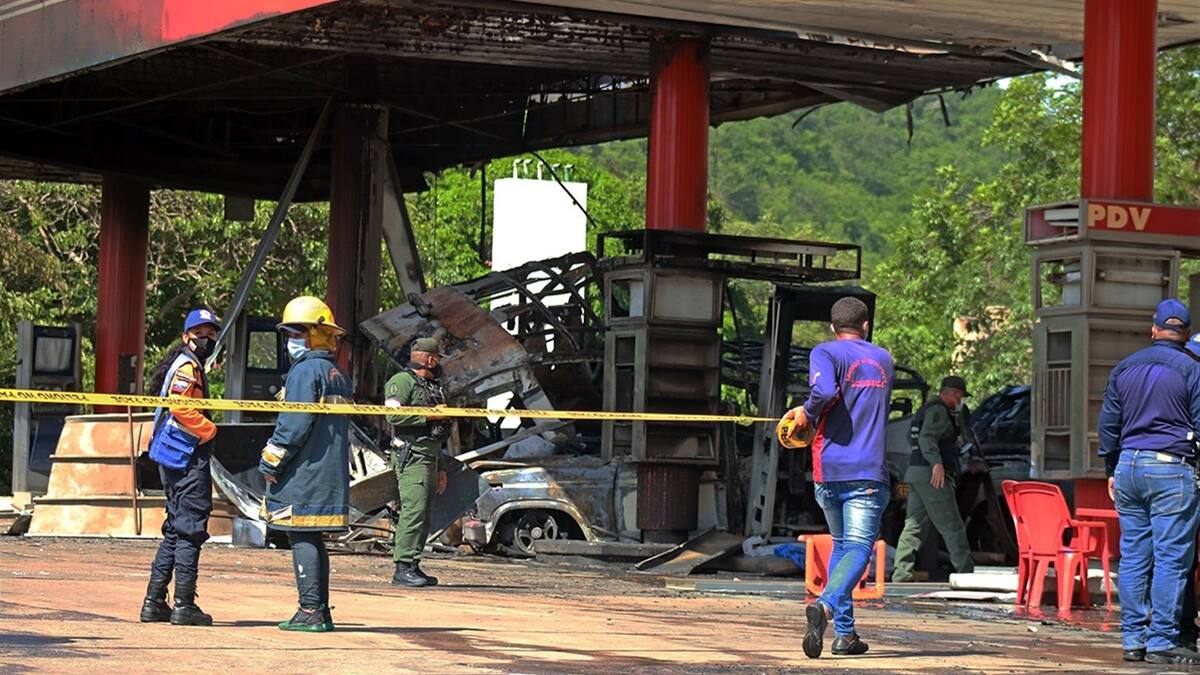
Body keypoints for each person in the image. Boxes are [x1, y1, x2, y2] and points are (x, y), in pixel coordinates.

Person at [782, 296, 894, 659]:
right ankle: (826, 606)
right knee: (859, 548)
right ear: (866, 326)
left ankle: (845, 635)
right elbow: (831, 393)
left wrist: (806, 412)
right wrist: (811, 408)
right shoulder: (883, 359)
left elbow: (825, 391)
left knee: (843, 546)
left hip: (828, 470)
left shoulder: (825, 352)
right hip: (867, 472)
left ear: (833, 327)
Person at [1100, 298, 1200, 666]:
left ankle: (1133, 640)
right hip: (1171, 468)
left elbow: (1108, 426)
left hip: (1128, 466)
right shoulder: (1193, 369)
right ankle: (1161, 641)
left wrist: (1111, 468)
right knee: (1171, 559)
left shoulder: (1124, 367)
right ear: (1185, 334)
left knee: (1134, 556)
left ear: (1153, 329)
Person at [259, 296, 352, 633]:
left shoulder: (305, 371)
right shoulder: (335, 372)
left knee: (300, 535)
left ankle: (310, 610)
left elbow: (293, 426)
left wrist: (270, 463)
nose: (290, 341)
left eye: (297, 334)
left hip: (304, 470)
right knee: (312, 537)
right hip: (327, 470)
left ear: (316, 334)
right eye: (288, 335)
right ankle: (318, 610)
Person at [139, 308, 222, 626]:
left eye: (211, 334)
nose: (207, 339)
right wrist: (209, 430)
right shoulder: (188, 366)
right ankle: (184, 605)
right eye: (200, 333)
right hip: (186, 457)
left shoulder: (188, 363)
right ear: (186, 336)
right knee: (190, 529)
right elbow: (180, 406)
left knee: (175, 529)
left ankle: (154, 602)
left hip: (174, 457)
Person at [891, 376, 976, 582]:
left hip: (915, 473)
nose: (960, 402)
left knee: (914, 525)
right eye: (960, 397)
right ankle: (965, 571)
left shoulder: (924, 410)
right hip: (932, 476)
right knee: (952, 524)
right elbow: (927, 438)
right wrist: (936, 463)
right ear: (955, 394)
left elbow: (911, 437)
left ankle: (902, 573)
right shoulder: (939, 411)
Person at [383, 337, 450, 587]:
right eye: (437, 358)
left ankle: (413, 564)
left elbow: (436, 432)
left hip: (430, 456)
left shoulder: (432, 386)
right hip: (412, 456)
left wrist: (441, 468)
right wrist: (430, 414)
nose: (439, 364)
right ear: (430, 359)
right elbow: (392, 415)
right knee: (413, 512)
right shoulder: (402, 381)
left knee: (422, 513)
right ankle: (403, 567)